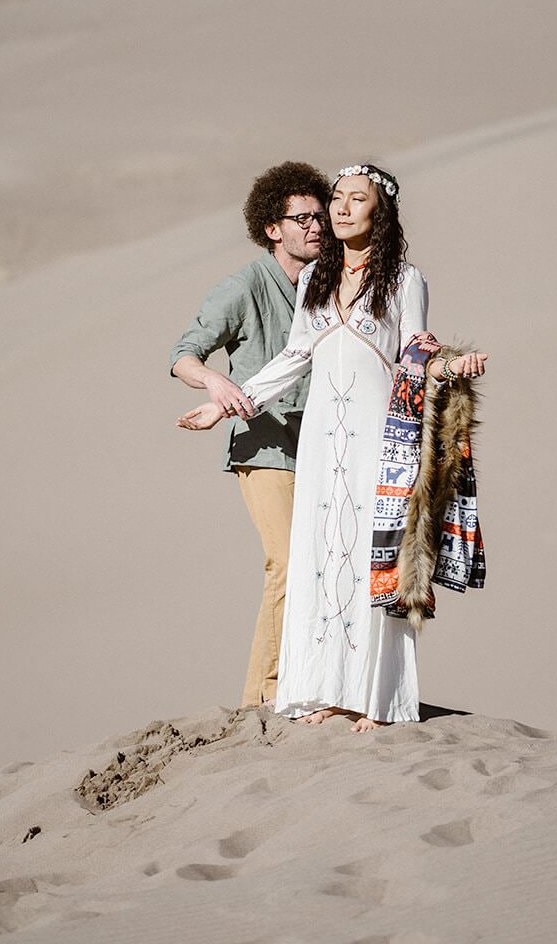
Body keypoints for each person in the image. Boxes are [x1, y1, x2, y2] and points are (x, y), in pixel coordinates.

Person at [179, 165, 488, 731]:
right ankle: (324, 688)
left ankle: (373, 699)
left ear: (381, 212)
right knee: (321, 556)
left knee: (372, 557)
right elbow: (296, 356)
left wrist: (452, 363)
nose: (339, 210)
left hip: (377, 436)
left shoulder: (403, 279)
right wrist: (225, 403)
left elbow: (414, 355)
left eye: (354, 200)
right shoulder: (315, 278)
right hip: (321, 439)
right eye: (336, 199)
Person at [169, 161, 333, 709]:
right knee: (286, 563)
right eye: (302, 218)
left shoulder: (329, 284)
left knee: (323, 569)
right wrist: (214, 381)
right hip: (264, 447)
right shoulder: (242, 287)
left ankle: (313, 687)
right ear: (272, 227)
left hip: (323, 448)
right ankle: (260, 701)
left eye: (321, 216)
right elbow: (183, 356)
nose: (316, 227)